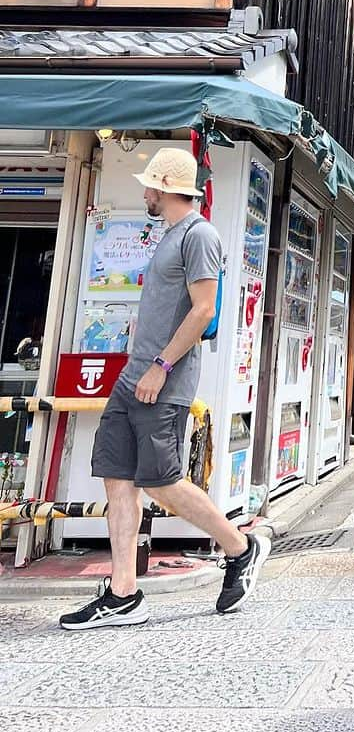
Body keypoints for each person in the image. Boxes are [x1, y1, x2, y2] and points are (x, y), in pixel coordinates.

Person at [60, 148, 269, 630]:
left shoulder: (200, 235)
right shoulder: (171, 236)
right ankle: (123, 594)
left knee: (161, 481)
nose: (144, 193)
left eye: (148, 186)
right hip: (133, 378)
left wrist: (159, 365)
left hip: (163, 382)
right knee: (117, 476)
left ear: (163, 188)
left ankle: (240, 548)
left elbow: (203, 310)